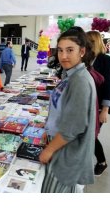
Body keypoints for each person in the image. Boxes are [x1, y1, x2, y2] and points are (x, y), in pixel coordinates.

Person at [39, 27, 96, 193]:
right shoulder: (70, 75)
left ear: (82, 51)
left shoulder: (80, 81)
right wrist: (48, 129)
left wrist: (49, 150)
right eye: (60, 50)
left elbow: (74, 126)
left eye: (70, 50)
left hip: (66, 154)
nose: (63, 56)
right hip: (59, 145)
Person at [86, 31, 110, 176]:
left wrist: (105, 109)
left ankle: (102, 162)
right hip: (86, 104)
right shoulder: (86, 59)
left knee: (91, 135)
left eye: (91, 41)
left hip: (98, 106)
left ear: (97, 42)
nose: (88, 44)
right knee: (86, 133)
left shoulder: (106, 60)